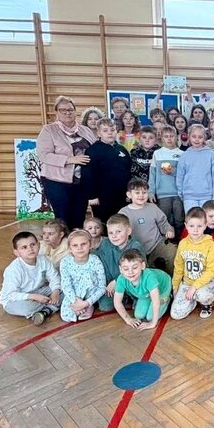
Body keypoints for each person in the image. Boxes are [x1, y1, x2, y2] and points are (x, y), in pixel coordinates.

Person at [37, 95, 96, 231]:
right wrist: (70, 160)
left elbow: (95, 151)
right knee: (63, 218)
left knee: (79, 216)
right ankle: (63, 242)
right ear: (56, 112)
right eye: (62, 110)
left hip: (81, 182)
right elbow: (44, 155)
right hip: (57, 182)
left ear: (75, 111)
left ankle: (77, 242)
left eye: (70, 109)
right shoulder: (49, 130)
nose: (67, 113)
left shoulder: (85, 130)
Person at [0, 231, 62, 326]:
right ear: (16, 252)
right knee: (26, 308)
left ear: (39, 245)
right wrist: (33, 297)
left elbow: (54, 277)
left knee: (65, 286)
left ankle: (45, 310)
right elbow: (10, 294)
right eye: (24, 247)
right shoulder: (13, 270)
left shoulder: (43, 260)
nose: (30, 249)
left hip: (39, 291)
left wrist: (55, 291)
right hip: (16, 298)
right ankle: (51, 308)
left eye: (33, 245)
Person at [119, 179, 177, 274]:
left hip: (156, 245)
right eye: (137, 193)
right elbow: (120, 231)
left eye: (144, 192)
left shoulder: (152, 207)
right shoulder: (123, 213)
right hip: (135, 249)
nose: (141, 195)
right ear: (129, 195)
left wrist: (168, 230)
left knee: (172, 251)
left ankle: (170, 279)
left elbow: (163, 222)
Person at [172, 207, 214, 319]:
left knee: (202, 295)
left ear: (205, 225)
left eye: (199, 226)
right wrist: (175, 286)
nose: (195, 230)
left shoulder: (211, 246)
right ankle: (192, 300)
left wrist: (194, 287)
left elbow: (211, 271)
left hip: (206, 282)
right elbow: (178, 266)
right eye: (192, 226)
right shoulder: (183, 243)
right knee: (176, 315)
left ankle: (207, 303)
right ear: (186, 226)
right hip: (187, 282)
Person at [82, 118, 132, 223]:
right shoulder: (93, 150)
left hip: (122, 195)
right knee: (104, 223)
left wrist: (129, 191)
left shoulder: (122, 149)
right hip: (102, 197)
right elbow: (88, 174)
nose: (109, 133)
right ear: (99, 133)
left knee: (122, 222)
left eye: (112, 130)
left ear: (116, 131)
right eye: (105, 130)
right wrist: (92, 196)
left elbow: (129, 172)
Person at [94, 214, 145, 311]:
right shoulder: (105, 244)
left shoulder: (135, 246)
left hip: (133, 283)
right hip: (113, 284)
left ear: (128, 231)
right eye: (111, 233)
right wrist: (108, 285)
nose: (114, 236)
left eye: (118, 232)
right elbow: (104, 268)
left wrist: (117, 281)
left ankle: (134, 298)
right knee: (105, 306)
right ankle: (124, 298)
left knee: (140, 310)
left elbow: (141, 271)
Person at [113, 249, 172, 330]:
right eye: (126, 269)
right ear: (121, 269)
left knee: (150, 317)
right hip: (146, 293)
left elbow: (156, 301)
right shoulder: (121, 279)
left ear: (143, 266)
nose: (130, 272)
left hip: (163, 287)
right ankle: (149, 297)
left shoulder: (150, 277)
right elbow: (117, 302)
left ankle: (167, 299)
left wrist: (153, 323)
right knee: (138, 315)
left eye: (134, 267)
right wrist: (128, 319)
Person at [59, 229, 106, 322]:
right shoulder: (65, 262)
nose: (79, 248)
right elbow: (66, 284)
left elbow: (102, 286)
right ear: (70, 248)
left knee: (86, 276)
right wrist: (75, 301)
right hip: (74, 294)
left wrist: (86, 303)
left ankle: (88, 305)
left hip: (91, 292)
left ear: (90, 245)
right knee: (66, 316)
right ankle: (79, 306)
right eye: (75, 245)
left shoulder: (95, 260)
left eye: (83, 244)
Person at [149, 125, 184, 239]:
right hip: (162, 193)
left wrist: (174, 171)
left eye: (172, 136)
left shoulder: (182, 154)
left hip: (178, 193)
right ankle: (168, 243)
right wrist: (151, 191)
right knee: (165, 220)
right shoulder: (157, 153)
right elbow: (152, 174)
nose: (169, 139)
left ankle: (179, 242)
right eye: (166, 136)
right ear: (162, 138)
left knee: (179, 219)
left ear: (176, 137)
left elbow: (185, 174)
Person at [176, 124, 214, 212]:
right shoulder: (184, 156)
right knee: (192, 219)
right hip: (189, 196)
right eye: (194, 136)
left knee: (206, 219)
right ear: (189, 137)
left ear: (204, 138)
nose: (197, 139)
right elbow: (180, 176)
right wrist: (181, 192)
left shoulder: (212, 155)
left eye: (200, 137)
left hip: (207, 196)